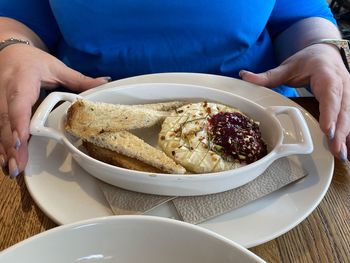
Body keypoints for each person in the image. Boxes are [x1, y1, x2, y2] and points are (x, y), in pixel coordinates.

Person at [0, 0, 349, 178]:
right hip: (72, 145)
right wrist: (13, 49)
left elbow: (299, 16)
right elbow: (20, 18)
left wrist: (323, 50)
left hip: (265, 128)